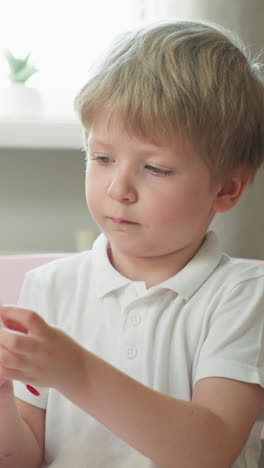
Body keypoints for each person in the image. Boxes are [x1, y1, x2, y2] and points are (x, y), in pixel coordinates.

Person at [0, 19, 264, 468]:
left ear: (226, 190)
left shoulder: (245, 294)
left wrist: (74, 370)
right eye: (102, 158)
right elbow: (22, 456)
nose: (118, 189)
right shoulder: (50, 287)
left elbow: (210, 451)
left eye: (156, 168)